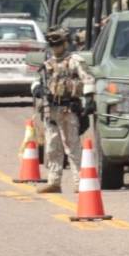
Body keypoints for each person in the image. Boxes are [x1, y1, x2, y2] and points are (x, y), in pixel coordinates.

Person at [32, 27, 96, 194]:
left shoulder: (74, 60)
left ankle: (80, 182)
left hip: (68, 110)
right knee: (52, 147)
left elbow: (88, 79)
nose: (55, 47)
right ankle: (54, 182)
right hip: (50, 110)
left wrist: (89, 99)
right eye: (52, 44)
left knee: (72, 147)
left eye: (58, 43)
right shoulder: (47, 63)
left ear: (65, 43)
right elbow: (36, 82)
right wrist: (37, 88)